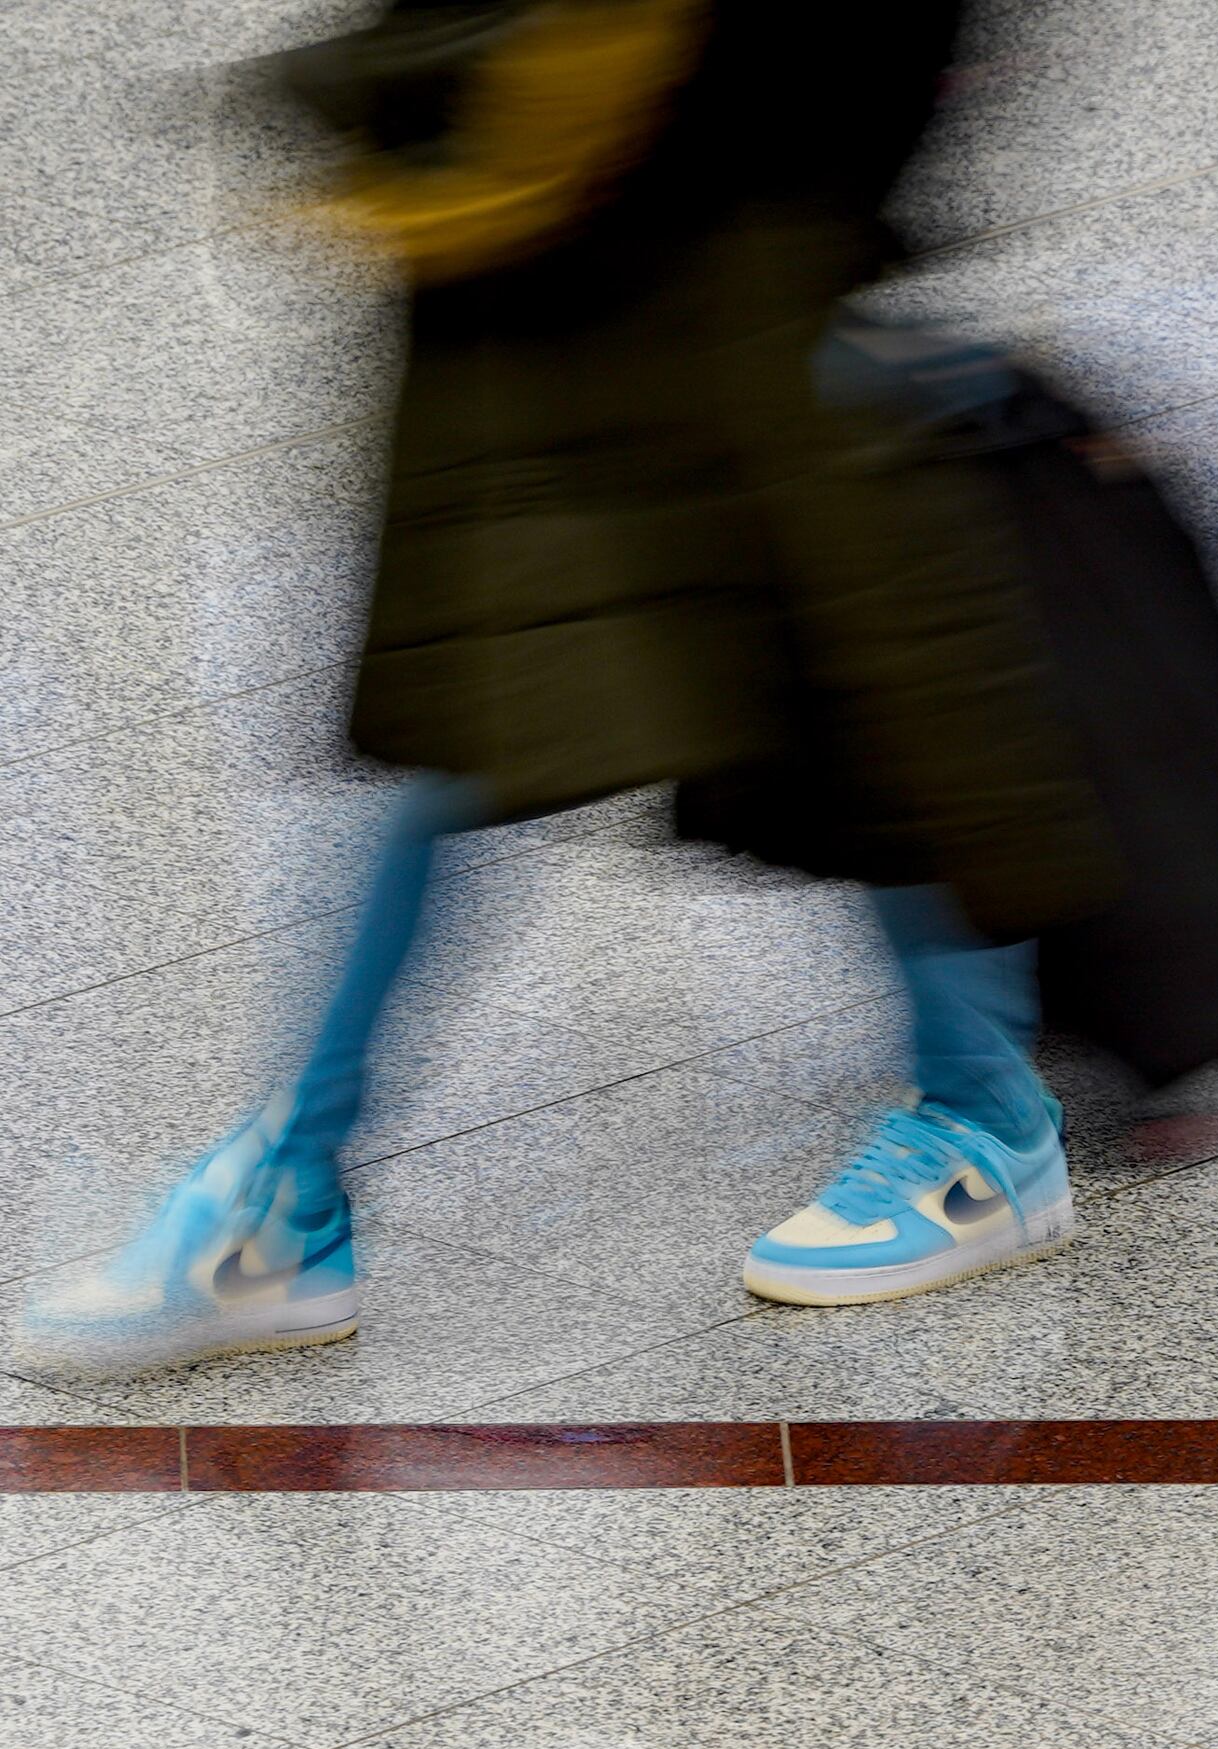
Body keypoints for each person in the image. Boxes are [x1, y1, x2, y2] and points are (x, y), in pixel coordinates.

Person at [16, 0, 1118, 1379]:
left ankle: (987, 1124)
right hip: (633, 228)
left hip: (717, 196)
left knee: (842, 665)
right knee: (533, 686)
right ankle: (285, 1189)